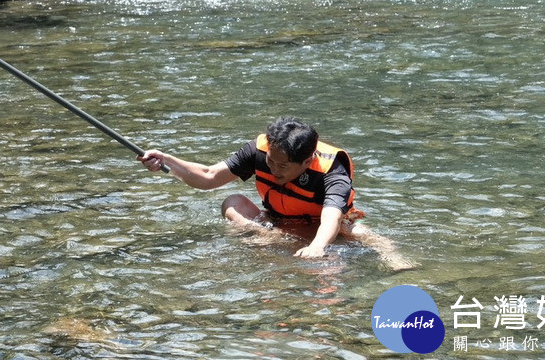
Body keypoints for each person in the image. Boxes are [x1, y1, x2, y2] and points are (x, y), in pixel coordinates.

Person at [138, 116, 413, 270]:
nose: (273, 169)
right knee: (232, 203)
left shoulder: (332, 168)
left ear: (306, 162)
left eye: (282, 166)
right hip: (277, 219)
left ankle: (394, 258)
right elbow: (208, 177)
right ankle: (269, 237)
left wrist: (318, 247)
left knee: (359, 232)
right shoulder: (260, 150)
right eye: (270, 161)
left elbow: (331, 216)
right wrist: (167, 160)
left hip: (328, 224)